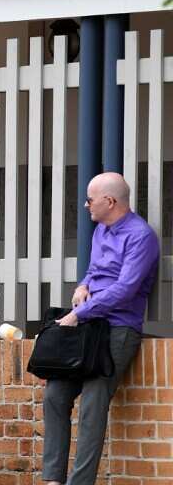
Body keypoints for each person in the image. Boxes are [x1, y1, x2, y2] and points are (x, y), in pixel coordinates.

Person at [43, 172, 159, 485]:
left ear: (110, 201)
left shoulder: (141, 236)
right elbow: (95, 271)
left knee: (93, 405)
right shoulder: (100, 231)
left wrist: (80, 313)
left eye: (90, 199)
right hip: (89, 325)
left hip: (118, 329)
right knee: (55, 395)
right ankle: (53, 479)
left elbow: (126, 289)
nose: (85, 205)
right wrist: (83, 284)